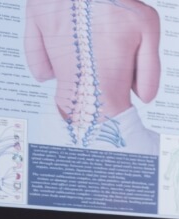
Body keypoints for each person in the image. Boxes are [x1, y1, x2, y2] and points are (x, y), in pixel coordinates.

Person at [22, 0, 162, 155]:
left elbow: (41, 73)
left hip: (55, 132)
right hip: (119, 133)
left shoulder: (36, 3)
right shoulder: (142, 13)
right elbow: (146, 93)